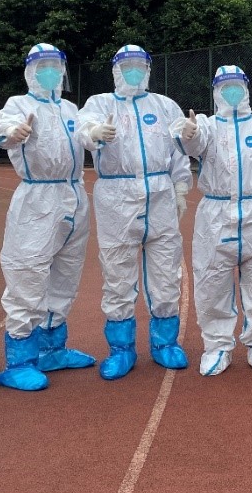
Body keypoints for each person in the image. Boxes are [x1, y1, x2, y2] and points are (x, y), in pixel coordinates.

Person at [76, 44, 191, 380]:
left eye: (140, 65)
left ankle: (165, 343)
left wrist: (181, 187)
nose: (134, 71)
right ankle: (121, 348)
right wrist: (94, 133)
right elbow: (82, 127)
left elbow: (179, 150)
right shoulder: (101, 103)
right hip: (116, 196)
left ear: (148, 69)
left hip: (160, 194)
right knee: (117, 272)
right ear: (116, 70)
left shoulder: (164, 105)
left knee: (166, 270)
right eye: (127, 66)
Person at [172, 65, 252, 376]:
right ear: (216, 91)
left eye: (237, 85)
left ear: (247, 89)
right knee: (211, 281)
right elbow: (192, 142)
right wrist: (188, 133)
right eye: (226, 86)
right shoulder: (208, 126)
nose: (232, 91)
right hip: (216, 214)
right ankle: (216, 346)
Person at [0, 43, 95, 391]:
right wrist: (12, 133)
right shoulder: (19, 105)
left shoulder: (70, 108)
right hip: (38, 198)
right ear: (30, 71)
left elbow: (86, 134)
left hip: (74, 195)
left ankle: (52, 348)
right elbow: (2, 130)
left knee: (66, 273)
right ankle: (19, 360)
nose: (50, 72)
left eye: (55, 66)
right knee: (28, 272)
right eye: (42, 66)